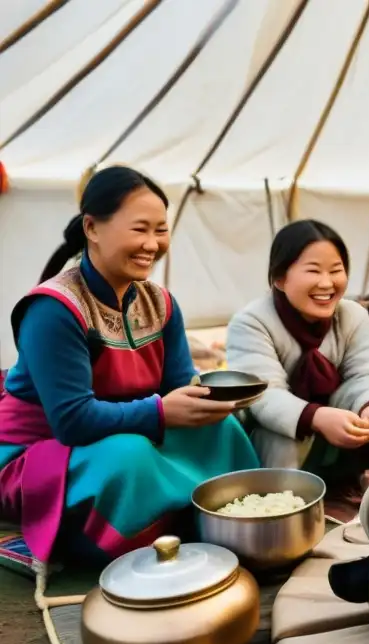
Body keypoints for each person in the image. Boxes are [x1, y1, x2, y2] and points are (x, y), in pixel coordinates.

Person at [0, 166, 259, 566]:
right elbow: (72, 420)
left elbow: (177, 385)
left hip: (121, 432)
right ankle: (121, 541)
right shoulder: (53, 309)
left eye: (161, 230)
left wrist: (209, 400)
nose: (152, 244)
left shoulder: (161, 304)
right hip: (39, 453)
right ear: (92, 228)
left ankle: (231, 520)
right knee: (129, 454)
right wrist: (160, 411)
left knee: (220, 428)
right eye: (140, 229)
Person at [226, 219, 369, 489]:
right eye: (313, 271)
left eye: (336, 270)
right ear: (280, 278)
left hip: (338, 434)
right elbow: (263, 395)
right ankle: (283, 502)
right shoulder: (251, 322)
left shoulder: (351, 315)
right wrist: (317, 418)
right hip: (280, 443)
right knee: (279, 428)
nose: (326, 283)